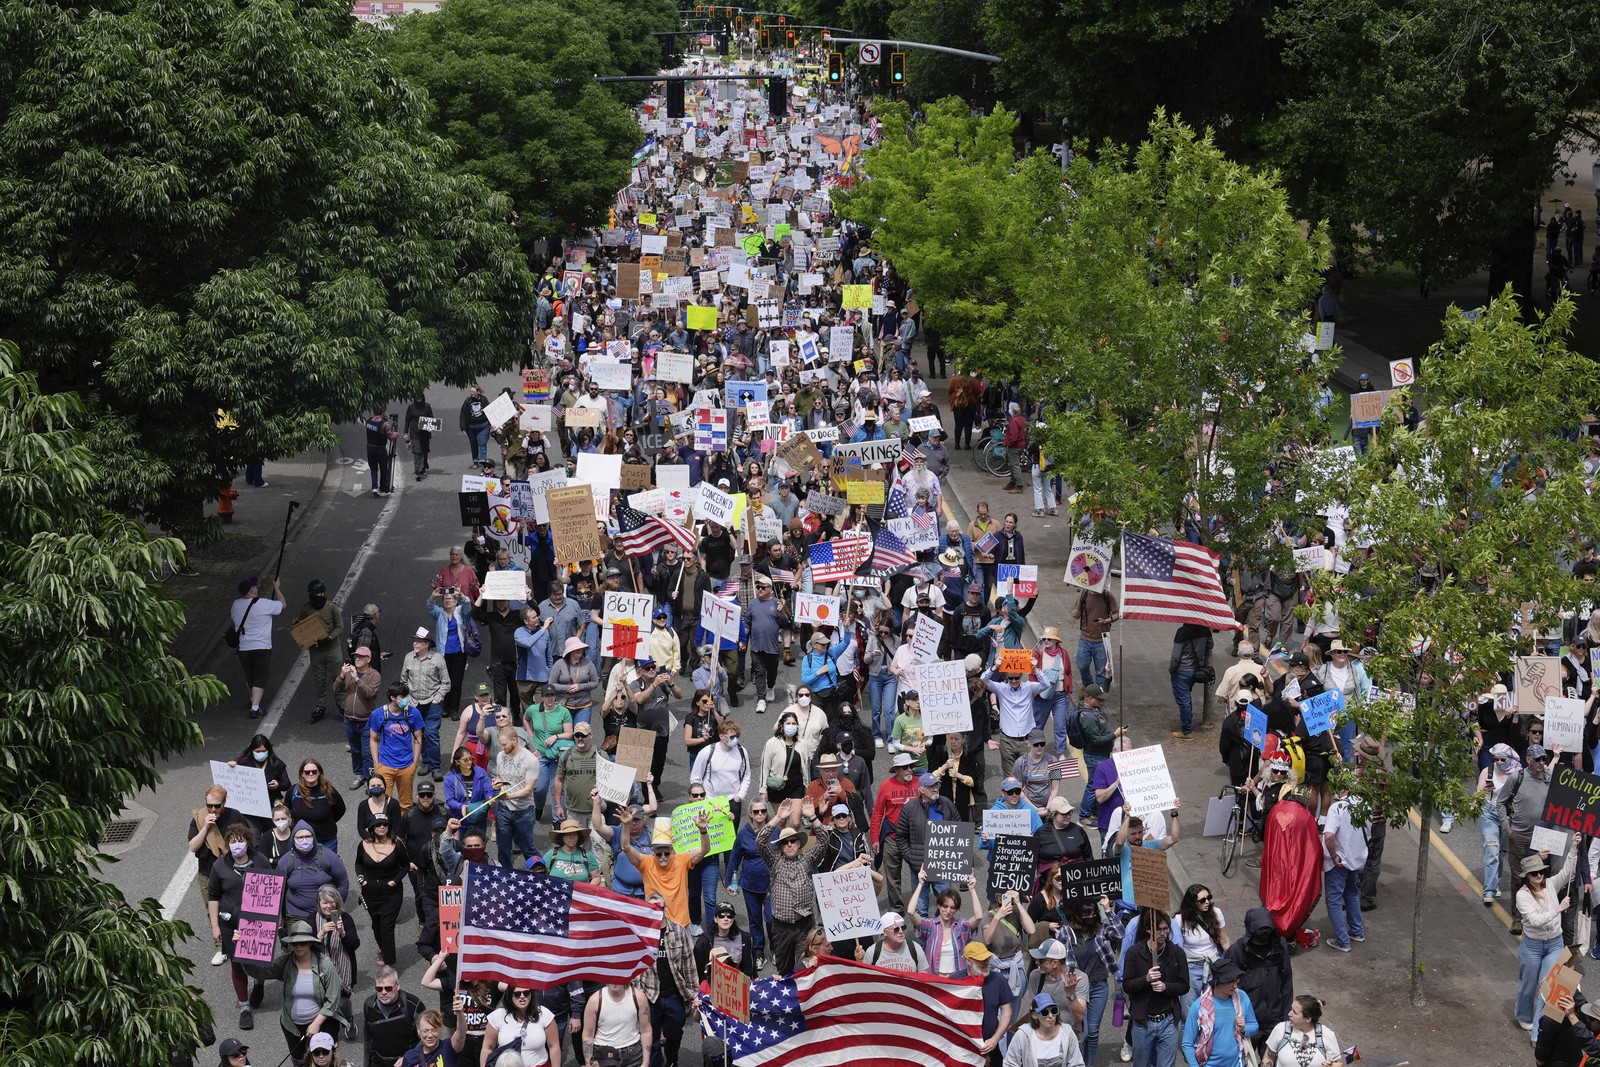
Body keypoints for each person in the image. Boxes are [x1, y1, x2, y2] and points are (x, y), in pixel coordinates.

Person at [208, 821, 274, 1030]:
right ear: (227, 844)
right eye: (232, 842)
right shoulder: (219, 866)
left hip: (259, 922)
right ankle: (245, 1007)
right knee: (237, 964)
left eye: (241, 841)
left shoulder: (260, 860)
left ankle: (259, 983)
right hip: (231, 925)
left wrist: (278, 916)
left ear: (248, 842)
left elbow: (273, 889)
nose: (237, 845)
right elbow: (213, 897)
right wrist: (215, 927)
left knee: (258, 960)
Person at [1517, 848, 1580, 1032]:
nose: (1539, 875)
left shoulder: (1551, 884)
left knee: (1549, 987)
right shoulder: (1522, 895)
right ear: (1527, 876)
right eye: (1534, 873)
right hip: (1532, 946)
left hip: (1554, 944)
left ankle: (1539, 1032)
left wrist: (1574, 849)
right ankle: (1523, 1016)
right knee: (1528, 985)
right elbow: (1535, 921)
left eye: (1541, 871)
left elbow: (1568, 870)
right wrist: (1558, 909)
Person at [758, 802, 822, 974]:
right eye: (785, 842)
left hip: (804, 925)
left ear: (799, 844)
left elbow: (824, 840)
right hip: (782, 927)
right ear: (780, 846)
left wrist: (812, 817)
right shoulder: (774, 861)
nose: (790, 845)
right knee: (784, 968)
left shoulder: (808, 859)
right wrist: (778, 818)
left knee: (804, 968)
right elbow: (761, 840)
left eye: (793, 841)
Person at [273, 919, 347, 1062]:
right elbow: (260, 971)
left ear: (310, 943)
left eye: (303, 943)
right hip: (292, 1025)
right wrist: (241, 952)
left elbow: (333, 998)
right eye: (295, 943)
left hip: (322, 1022)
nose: (299, 946)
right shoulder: (286, 962)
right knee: (299, 1061)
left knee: (322, 1060)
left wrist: (317, 1023)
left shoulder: (325, 965)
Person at [618, 812, 709, 928]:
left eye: (667, 853)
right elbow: (626, 847)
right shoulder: (646, 862)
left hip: (680, 923)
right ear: (652, 851)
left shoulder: (681, 860)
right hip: (656, 923)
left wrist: (703, 830)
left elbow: (704, 850)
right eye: (659, 854)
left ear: (672, 850)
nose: (663, 857)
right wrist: (626, 826)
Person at [1221, 908, 1293, 1052]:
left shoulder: (1279, 946)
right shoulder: (1237, 951)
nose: (1265, 933)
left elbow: (1287, 983)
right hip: (1247, 1021)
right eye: (1261, 930)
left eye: (1268, 929)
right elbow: (1224, 987)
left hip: (1274, 1020)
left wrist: (1286, 1018)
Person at [1124, 910, 1190, 1067]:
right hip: (1143, 1022)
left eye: (1166, 929)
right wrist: (1146, 979)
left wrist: (1166, 987)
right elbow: (1127, 985)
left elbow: (1184, 985)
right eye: (1158, 929)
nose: (1163, 933)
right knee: (1141, 1064)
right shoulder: (1135, 953)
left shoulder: (1177, 953)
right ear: (1148, 930)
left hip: (1168, 1020)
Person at [1179, 957, 1257, 1067]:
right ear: (1217, 981)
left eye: (1236, 980)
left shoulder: (1242, 997)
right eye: (1230, 981)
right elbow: (1187, 1043)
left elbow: (1254, 1026)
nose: (1235, 985)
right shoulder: (1199, 1006)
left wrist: (1244, 1029)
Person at [354, 814, 408, 968]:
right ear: (372, 828)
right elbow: (358, 863)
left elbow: (405, 865)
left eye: (385, 824)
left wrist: (394, 881)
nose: (382, 827)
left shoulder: (397, 844)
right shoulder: (363, 844)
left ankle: (389, 965)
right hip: (370, 892)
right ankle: (384, 949)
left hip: (391, 894)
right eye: (378, 825)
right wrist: (361, 878)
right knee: (376, 927)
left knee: (386, 928)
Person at [1320, 782, 1368, 952]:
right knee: (1351, 894)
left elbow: (1329, 836)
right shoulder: (1365, 806)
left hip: (1338, 862)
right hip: (1356, 860)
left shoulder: (1337, 808)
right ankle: (1357, 931)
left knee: (1333, 900)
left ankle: (1342, 940)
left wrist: (1333, 855)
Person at [726, 799, 773, 970]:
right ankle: (759, 953)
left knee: (771, 919)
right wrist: (729, 881)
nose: (760, 814)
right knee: (755, 921)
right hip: (750, 885)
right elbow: (735, 858)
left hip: (772, 886)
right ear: (750, 814)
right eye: (756, 812)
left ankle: (775, 950)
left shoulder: (775, 830)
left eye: (763, 811)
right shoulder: (744, 833)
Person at [230, 575, 285, 719]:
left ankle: (252, 700)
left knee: (250, 677)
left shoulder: (235, 605)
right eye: (254, 586)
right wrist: (276, 589)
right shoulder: (264, 604)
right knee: (260, 677)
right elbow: (282, 604)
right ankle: (255, 708)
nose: (256, 587)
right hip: (261, 647)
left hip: (243, 648)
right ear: (251, 591)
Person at [400, 628, 451, 780]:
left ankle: (435, 766)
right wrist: (406, 699)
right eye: (414, 640)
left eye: (419, 641)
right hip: (414, 703)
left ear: (427, 644)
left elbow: (446, 682)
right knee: (418, 734)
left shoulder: (438, 658)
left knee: (431, 734)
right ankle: (426, 762)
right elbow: (403, 680)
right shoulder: (408, 657)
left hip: (432, 702)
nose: (415, 643)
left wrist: (438, 698)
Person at [1171, 885, 1227, 1016]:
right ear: (1192, 903)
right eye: (1202, 900)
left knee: (1214, 1009)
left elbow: (1224, 941)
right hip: (1191, 968)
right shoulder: (1179, 920)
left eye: (1208, 898)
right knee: (1189, 1011)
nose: (1207, 902)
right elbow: (1175, 947)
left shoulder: (1216, 913)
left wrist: (1228, 965)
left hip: (1214, 966)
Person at [491, 724, 542, 869]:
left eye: (504, 744)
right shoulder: (501, 756)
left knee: (528, 848)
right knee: (503, 850)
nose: (502, 748)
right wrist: (497, 783)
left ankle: (541, 875)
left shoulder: (530, 760)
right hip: (503, 810)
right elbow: (500, 776)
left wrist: (507, 796)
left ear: (514, 740)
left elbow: (528, 790)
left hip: (523, 811)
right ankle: (506, 880)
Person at [369, 682, 426, 812]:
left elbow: (418, 739)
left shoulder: (413, 713)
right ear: (393, 698)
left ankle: (404, 831)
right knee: (383, 802)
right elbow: (373, 739)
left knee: (406, 805)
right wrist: (376, 763)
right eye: (402, 696)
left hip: (406, 765)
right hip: (385, 765)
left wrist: (415, 763)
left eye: (406, 696)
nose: (406, 699)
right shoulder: (378, 714)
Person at [278, 820, 350, 921]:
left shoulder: (329, 857)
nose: (304, 840)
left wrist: (335, 908)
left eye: (308, 836)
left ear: (314, 837)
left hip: (326, 914)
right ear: (293, 839)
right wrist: (278, 915)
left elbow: (343, 883)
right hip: (296, 916)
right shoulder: (285, 861)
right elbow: (278, 890)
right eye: (300, 837)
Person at [298, 578, 345, 724]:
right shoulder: (306, 609)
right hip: (316, 651)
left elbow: (340, 626)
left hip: (332, 649)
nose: (313, 598)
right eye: (311, 594)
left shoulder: (331, 607)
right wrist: (297, 626)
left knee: (338, 677)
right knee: (319, 678)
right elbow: (302, 627)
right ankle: (320, 705)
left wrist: (330, 637)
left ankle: (341, 703)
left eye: (316, 594)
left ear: (323, 593)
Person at [337, 648, 384, 789]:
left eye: (360, 657)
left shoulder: (374, 675)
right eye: (356, 656)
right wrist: (341, 675)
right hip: (349, 720)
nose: (357, 659)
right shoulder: (349, 674)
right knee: (355, 750)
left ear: (368, 659)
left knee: (367, 752)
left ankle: (370, 780)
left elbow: (369, 693)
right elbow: (335, 689)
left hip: (366, 721)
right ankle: (358, 775)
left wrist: (357, 679)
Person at [363, 964, 425, 1067]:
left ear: (398, 985)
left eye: (388, 988)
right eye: (379, 989)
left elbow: (427, 1036)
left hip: (407, 1062)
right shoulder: (369, 1005)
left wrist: (409, 1057)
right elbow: (367, 1039)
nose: (383, 993)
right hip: (379, 1062)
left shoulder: (413, 1005)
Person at [483, 987, 561, 1067]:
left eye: (526, 993)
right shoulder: (497, 1016)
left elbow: (554, 1047)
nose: (522, 996)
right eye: (517, 994)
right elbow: (487, 1048)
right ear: (510, 995)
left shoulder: (544, 1014)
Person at [1004, 993, 1087, 1067]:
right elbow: (1010, 1064)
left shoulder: (1067, 1033)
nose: (1050, 1016)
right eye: (1045, 1012)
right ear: (1035, 1015)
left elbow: (1077, 1063)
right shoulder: (1023, 1035)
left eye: (1054, 1010)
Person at [966, 942, 1014, 1067]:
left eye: (987, 958)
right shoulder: (956, 980)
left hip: (992, 1050)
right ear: (969, 962)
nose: (986, 962)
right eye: (980, 960)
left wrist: (995, 1039)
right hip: (965, 1051)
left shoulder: (998, 980)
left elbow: (1007, 1011)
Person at [581, 982, 651, 1067]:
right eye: (611, 977)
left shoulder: (638, 997)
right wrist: (588, 1062)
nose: (614, 982)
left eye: (618, 978)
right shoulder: (595, 1000)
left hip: (633, 1054)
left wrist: (646, 1063)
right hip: (604, 1054)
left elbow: (646, 1031)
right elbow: (588, 1036)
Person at [288, 760, 347, 854]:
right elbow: (287, 809)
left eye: (314, 771)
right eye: (307, 772)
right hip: (300, 841)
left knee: (327, 867)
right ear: (302, 774)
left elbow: (340, 809)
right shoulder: (293, 791)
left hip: (326, 841)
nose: (311, 774)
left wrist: (326, 821)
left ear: (319, 772)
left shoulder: (329, 791)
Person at [1263, 995, 1341, 1067]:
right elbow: (1268, 1057)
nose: (1289, 1014)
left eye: (1294, 1012)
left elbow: (1338, 1063)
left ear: (1308, 1019)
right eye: (1291, 1009)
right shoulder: (1280, 1029)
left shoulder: (1327, 1034)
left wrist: (1331, 1066)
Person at [693, 901, 757, 979]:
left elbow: (751, 964)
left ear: (733, 919)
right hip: (713, 984)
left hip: (739, 983)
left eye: (730, 916)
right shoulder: (704, 942)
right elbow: (697, 968)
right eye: (721, 916)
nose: (726, 919)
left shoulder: (744, 938)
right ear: (715, 919)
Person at [400, 1008, 465, 1067]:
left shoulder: (448, 1047)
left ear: (439, 1030)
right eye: (425, 1031)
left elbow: (461, 1033)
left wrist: (460, 1013)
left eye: (434, 1030)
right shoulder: (410, 1056)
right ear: (418, 1031)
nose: (430, 1035)